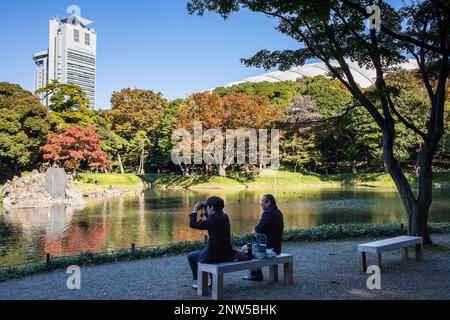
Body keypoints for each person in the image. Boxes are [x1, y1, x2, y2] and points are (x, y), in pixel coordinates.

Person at [187, 197, 235, 289]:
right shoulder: (224, 216)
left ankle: (201, 283)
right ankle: (212, 283)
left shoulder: (213, 219)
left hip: (215, 255)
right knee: (203, 254)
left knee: (192, 257)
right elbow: (212, 221)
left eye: (208, 206)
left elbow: (192, 224)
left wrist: (195, 210)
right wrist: (206, 212)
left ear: (212, 208)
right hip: (226, 253)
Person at [243, 194, 284, 281]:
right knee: (254, 248)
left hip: (269, 250)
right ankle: (257, 273)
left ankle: (255, 274)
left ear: (268, 202)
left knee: (245, 249)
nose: (261, 204)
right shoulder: (279, 212)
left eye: (262, 201)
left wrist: (257, 225)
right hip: (277, 248)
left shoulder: (267, 213)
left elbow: (258, 229)